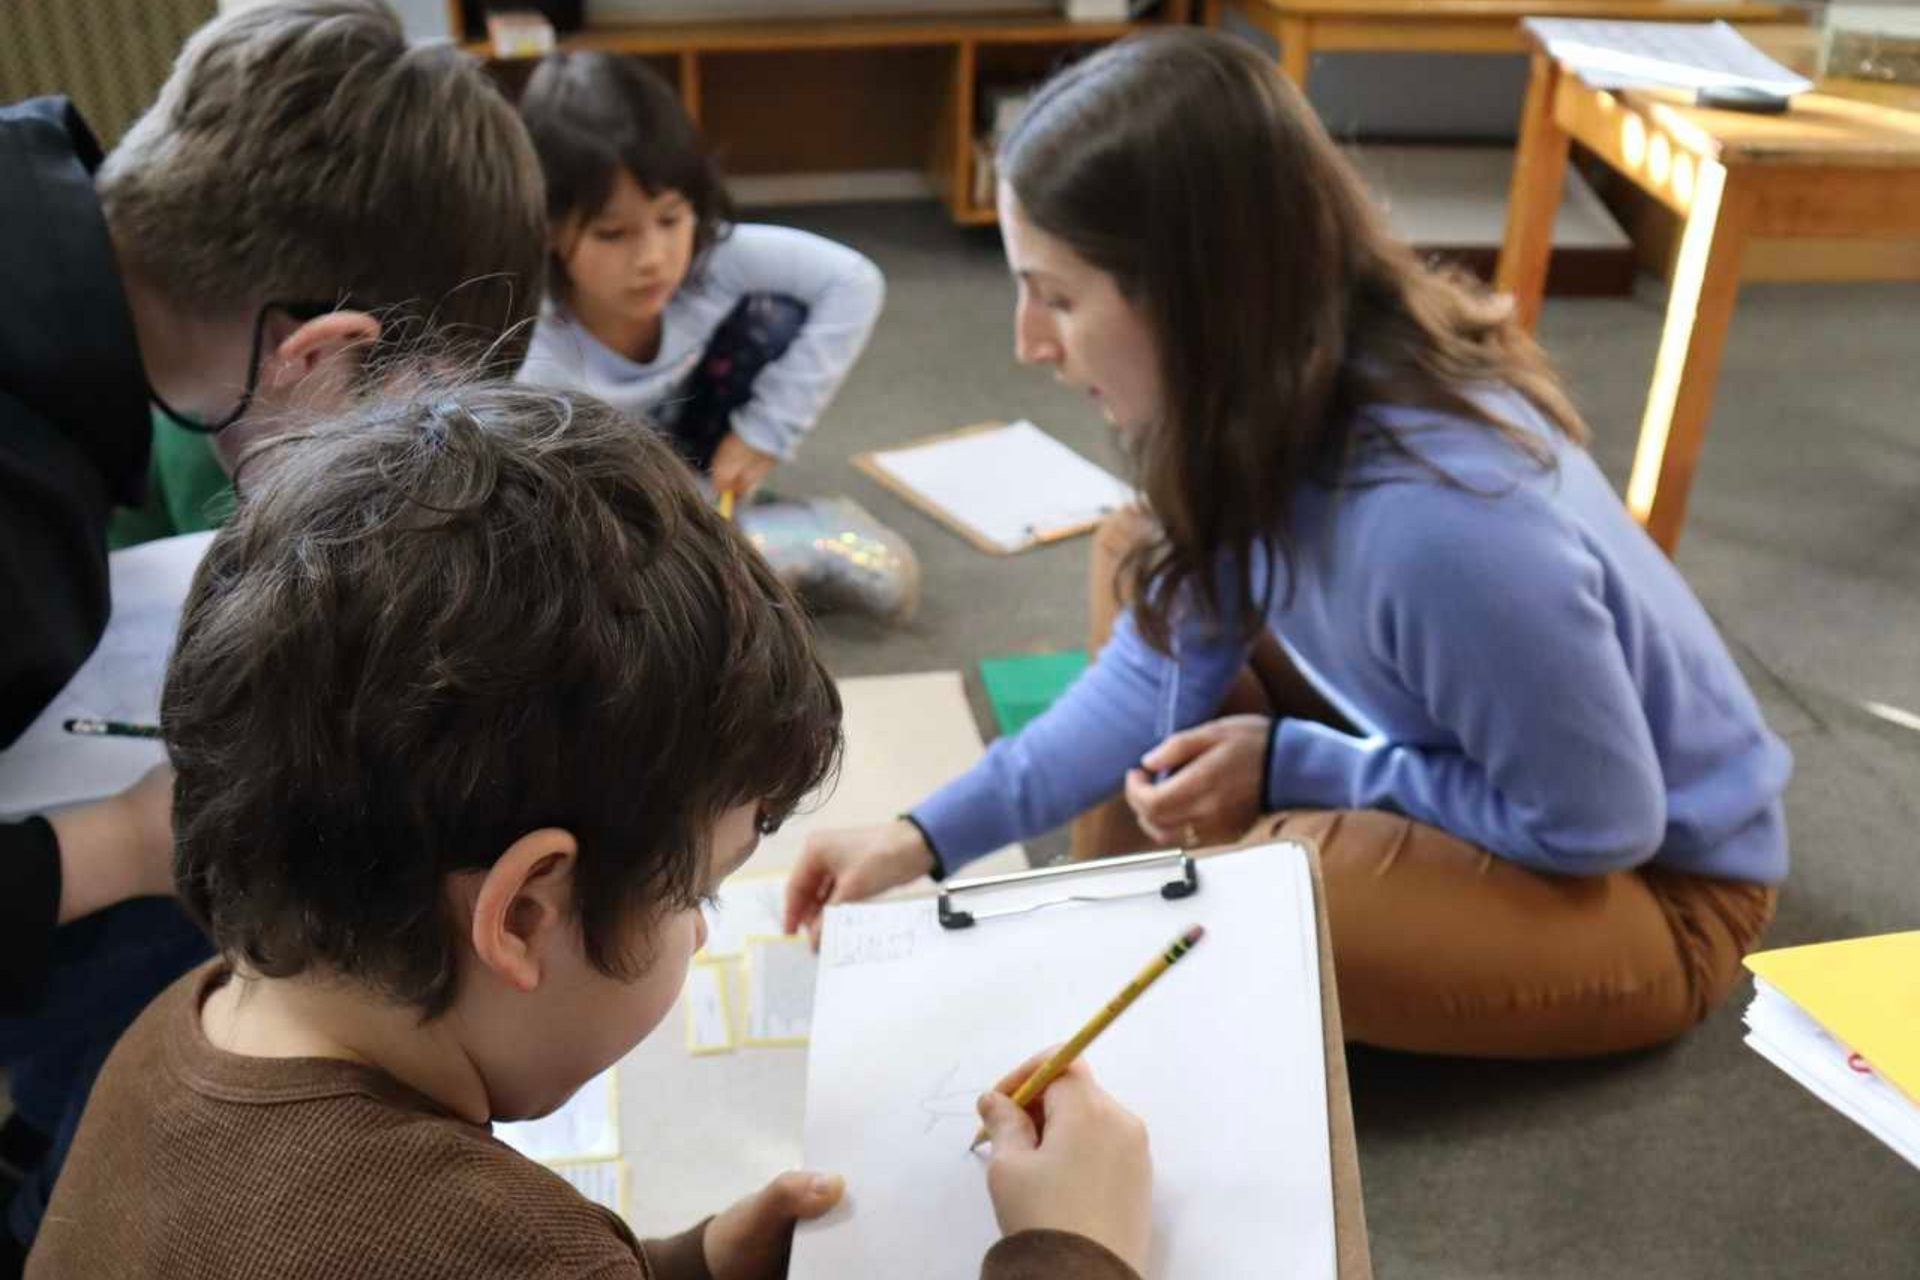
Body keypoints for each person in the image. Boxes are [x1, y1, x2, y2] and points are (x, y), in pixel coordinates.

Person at [784, 29, 1792, 1061]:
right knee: (1147, 556)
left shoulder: (1436, 526)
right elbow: (1149, 674)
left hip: (1658, 888)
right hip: (1487, 758)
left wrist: (1298, 767)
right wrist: (922, 835)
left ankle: (1175, 909)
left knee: (1264, 899)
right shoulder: (1267, 402)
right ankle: (1121, 908)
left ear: (1192, 298)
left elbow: (1601, 824)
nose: (1028, 341)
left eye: (1058, 295)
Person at [27, 382, 1154, 1280]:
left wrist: (691, 1263)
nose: (704, 934)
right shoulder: (499, 1247)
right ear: (525, 910)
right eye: (699, 894)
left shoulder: (178, 1031)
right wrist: (1073, 1249)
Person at [0, 1, 546, 1262]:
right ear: (315, 352)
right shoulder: (20, 517)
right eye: (390, 435)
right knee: (202, 925)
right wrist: (120, 842)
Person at [514, 50, 885, 503]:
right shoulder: (533, 359)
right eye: (612, 234)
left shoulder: (710, 259)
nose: (653, 258)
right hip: (601, 503)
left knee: (776, 315)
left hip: (702, 474)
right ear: (549, 227)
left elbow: (854, 281)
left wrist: (764, 434)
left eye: (670, 220)